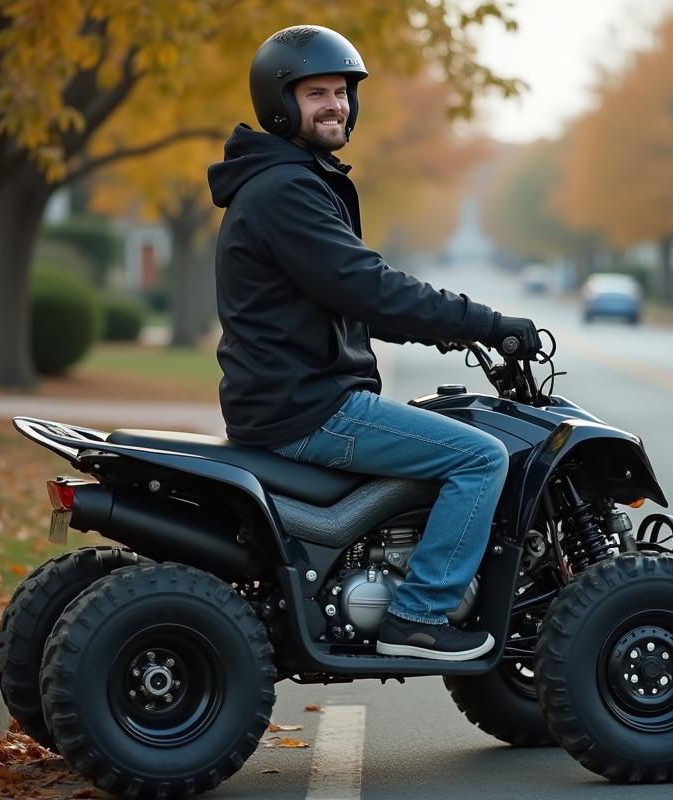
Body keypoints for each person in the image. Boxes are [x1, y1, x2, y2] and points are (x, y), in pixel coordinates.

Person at [206, 25, 541, 662]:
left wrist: (446, 331)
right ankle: (418, 615)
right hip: (308, 407)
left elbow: (355, 299)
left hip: (287, 397)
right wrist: (487, 325)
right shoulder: (288, 190)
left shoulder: (288, 179)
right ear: (281, 105)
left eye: (342, 92)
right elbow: (370, 289)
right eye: (315, 94)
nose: (334, 105)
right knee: (481, 458)